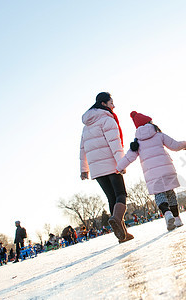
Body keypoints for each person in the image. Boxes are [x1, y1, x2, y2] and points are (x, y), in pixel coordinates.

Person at [117, 111, 186, 231]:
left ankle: (167, 214)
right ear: (150, 123)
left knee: (160, 195)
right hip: (167, 169)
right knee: (170, 194)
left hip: (152, 175)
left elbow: (129, 157)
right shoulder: (159, 135)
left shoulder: (137, 143)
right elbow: (174, 145)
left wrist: (119, 168)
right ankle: (177, 219)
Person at [80, 92, 133, 243]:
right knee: (121, 194)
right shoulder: (106, 119)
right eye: (111, 103)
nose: (113, 106)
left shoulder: (86, 126)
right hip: (111, 164)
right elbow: (115, 143)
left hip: (96, 168)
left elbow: (82, 148)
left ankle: (122, 234)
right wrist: (121, 163)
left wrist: (84, 169)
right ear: (103, 104)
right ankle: (116, 218)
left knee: (111, 198)